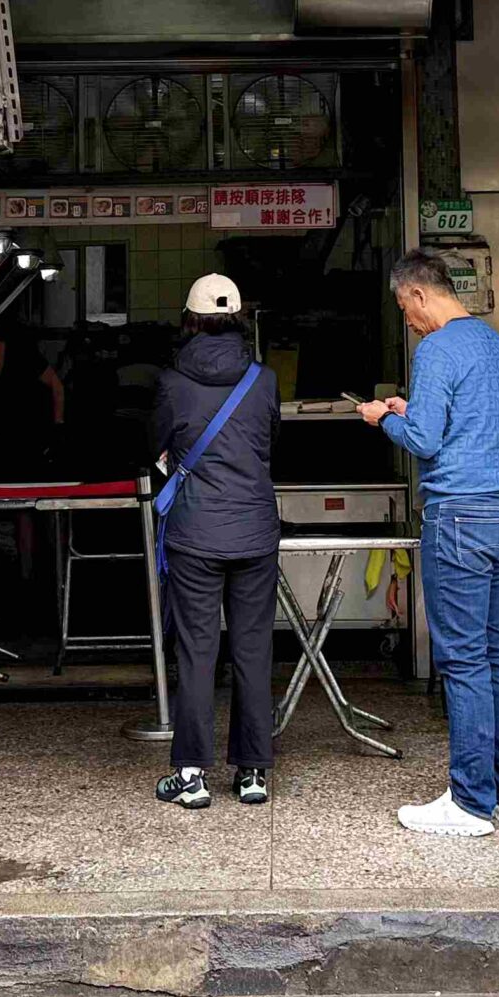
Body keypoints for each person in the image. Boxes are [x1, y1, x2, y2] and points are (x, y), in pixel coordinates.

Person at [358, 250, 499, 838]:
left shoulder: (435, 349)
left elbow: (425, 441)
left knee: (462, 659)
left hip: (460, 516)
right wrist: (413, 411)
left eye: (405, 308)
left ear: (420, 295)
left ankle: (470, 802)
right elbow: (466, 423)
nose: (407, 320)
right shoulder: (496, 345)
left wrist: (382, 417)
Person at [152, 274, 283, 811]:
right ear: (239, 320)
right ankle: (252, 773)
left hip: (196, 534)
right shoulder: (265, 380)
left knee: (197, 652)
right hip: (254, 529)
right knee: (254, 650)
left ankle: (191, 776)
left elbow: (156, 445)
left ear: (188, 320)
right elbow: (270, 442)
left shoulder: (170, 382)